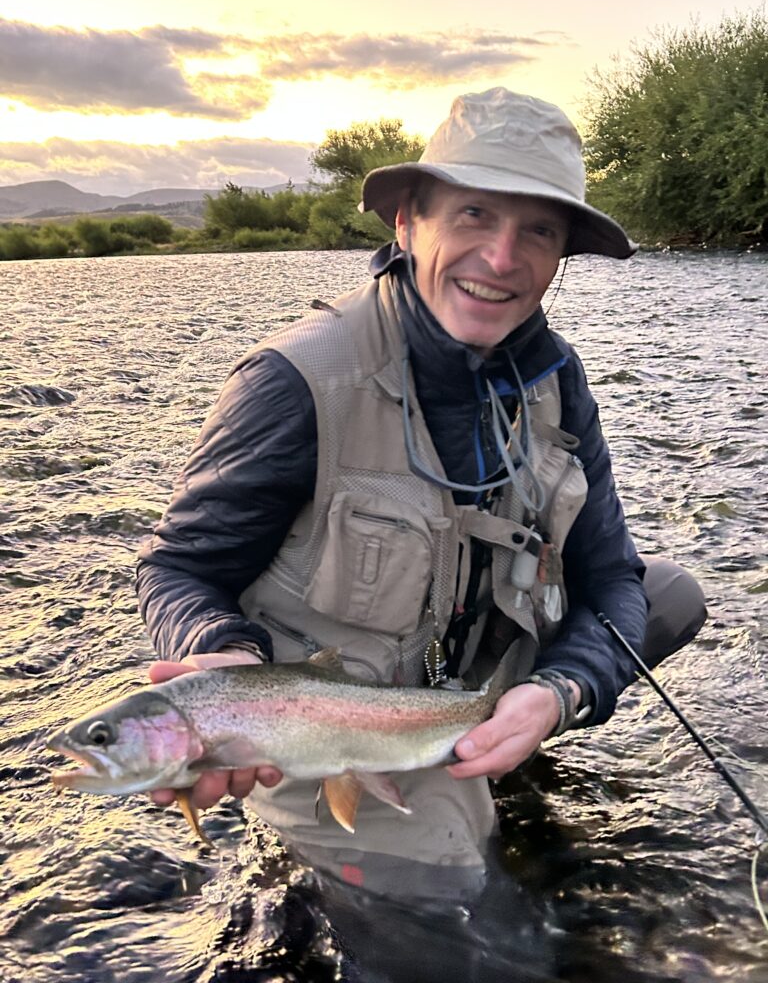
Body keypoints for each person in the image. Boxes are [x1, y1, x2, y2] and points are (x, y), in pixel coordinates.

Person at [137, 87, 707, 901]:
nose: (503, 259)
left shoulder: (553, 375)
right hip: (326, 722)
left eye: (537, 231)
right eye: (474, 215)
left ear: (559, 257)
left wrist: (560, 691)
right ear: (408, 222)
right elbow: (178, 568)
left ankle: (496, 735)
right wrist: (226, 666)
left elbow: (613, 576)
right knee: (474, 919)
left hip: (472, 683)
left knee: (670, 594)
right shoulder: (296, 380)